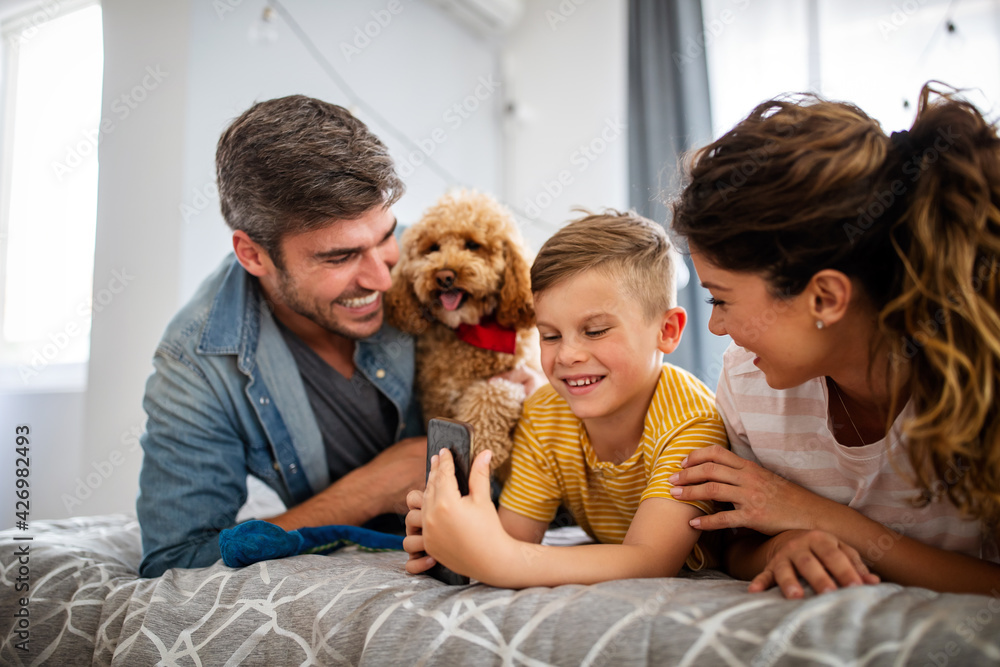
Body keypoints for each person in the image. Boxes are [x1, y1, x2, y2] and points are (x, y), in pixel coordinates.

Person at [136, 96, 540, 578]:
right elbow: (176, 563)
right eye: (340, 257)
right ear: (253, 255)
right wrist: (370, 490)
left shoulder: (434, 262)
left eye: (386, 236)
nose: (384, 280)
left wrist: (544, 392)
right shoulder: (196, 365)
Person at [667, 83, 1000, 598]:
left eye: (721, 299)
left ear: (824, 298)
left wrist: (821, 518)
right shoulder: (748, 381)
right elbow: (733, 543)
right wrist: (783, 546)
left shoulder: (981, 382)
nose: (716, 327)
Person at [403, 210, 729, 587]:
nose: (567, 355)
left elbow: (651, 559)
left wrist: (498, 559)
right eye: (551, 335)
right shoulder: (545, 414)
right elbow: (512, 539)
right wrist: (455, 539)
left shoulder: (690, 421)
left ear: (667, 331)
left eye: (595, 331)